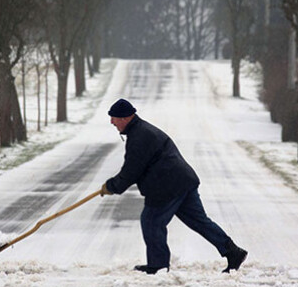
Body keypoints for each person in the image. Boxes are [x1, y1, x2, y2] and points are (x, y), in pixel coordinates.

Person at [101, 98, 248, 274]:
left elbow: (132, 170)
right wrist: (113, 185)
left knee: (151, 221)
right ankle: (233, 251)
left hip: (167, 186)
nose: (111, 122)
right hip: (182, 181)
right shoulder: (141, 131)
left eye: (114, 118)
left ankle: (158, 265)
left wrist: (112, 186)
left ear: (125, 117)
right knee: (199, 221)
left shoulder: (140, 136)